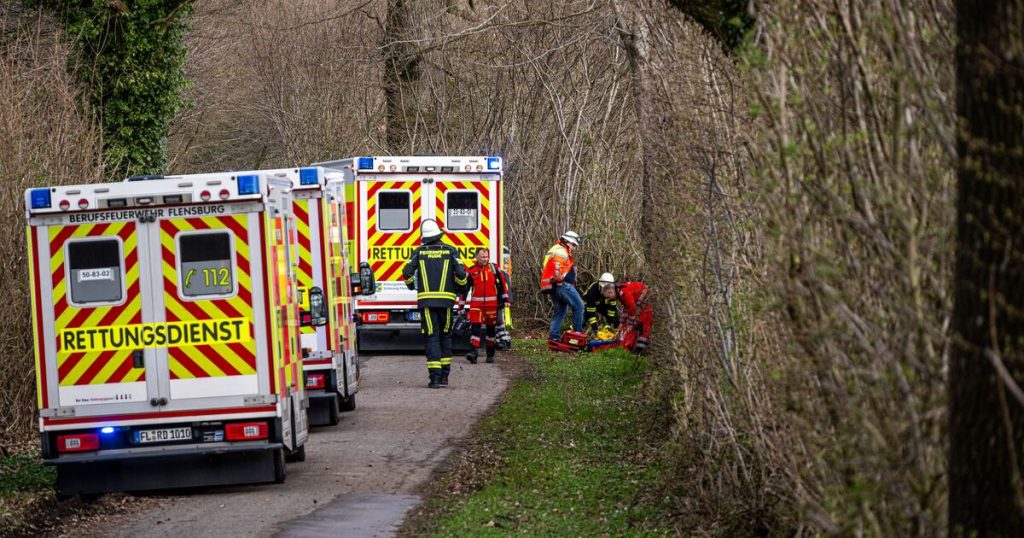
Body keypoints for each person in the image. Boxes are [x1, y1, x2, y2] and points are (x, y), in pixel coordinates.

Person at [402, 219, 468, 388]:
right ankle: (445, 377)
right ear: (439, 234)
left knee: (431, 337)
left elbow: (407, 272)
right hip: (446, 303)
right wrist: (461, 289)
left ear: (424, 237)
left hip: (427, 303)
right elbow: (461, 274)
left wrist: (411, 285)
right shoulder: (451, 250)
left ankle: (435, 379)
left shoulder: (419, 252)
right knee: (445, 336)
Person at [464, 248, 511, 364]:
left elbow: (502, 285)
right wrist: (461, 306)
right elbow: (464, 290)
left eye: (486, 257)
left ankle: (490, 354)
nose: (485, 259)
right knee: (475, 329)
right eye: (482, 257)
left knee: (490, 331)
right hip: (476, 306)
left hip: (491, 305)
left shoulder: (494, 269)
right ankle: (473, 353)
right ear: (476, 257)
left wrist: (506, 299)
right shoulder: (471, 271)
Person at [540, 230, 585, 345]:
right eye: (573, 244)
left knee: (560, 311)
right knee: (579, 306)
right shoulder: (561, 252)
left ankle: (554, 337)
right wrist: (564, 278)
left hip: (553, 286)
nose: (574, 247)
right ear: (567, 241)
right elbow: (557, 271)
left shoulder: (555, 249)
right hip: (562, 284)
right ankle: (577, 336)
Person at [614, 280, 653, 353]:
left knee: (643, 326)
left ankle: (639, 351)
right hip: (641, 302)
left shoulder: (623, 292)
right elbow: (627, 307)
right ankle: (632, 348)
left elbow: (632, 307)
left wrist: (630, 324)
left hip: (645, 302)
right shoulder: (620, 293)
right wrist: (621, 322)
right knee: (634, 326)